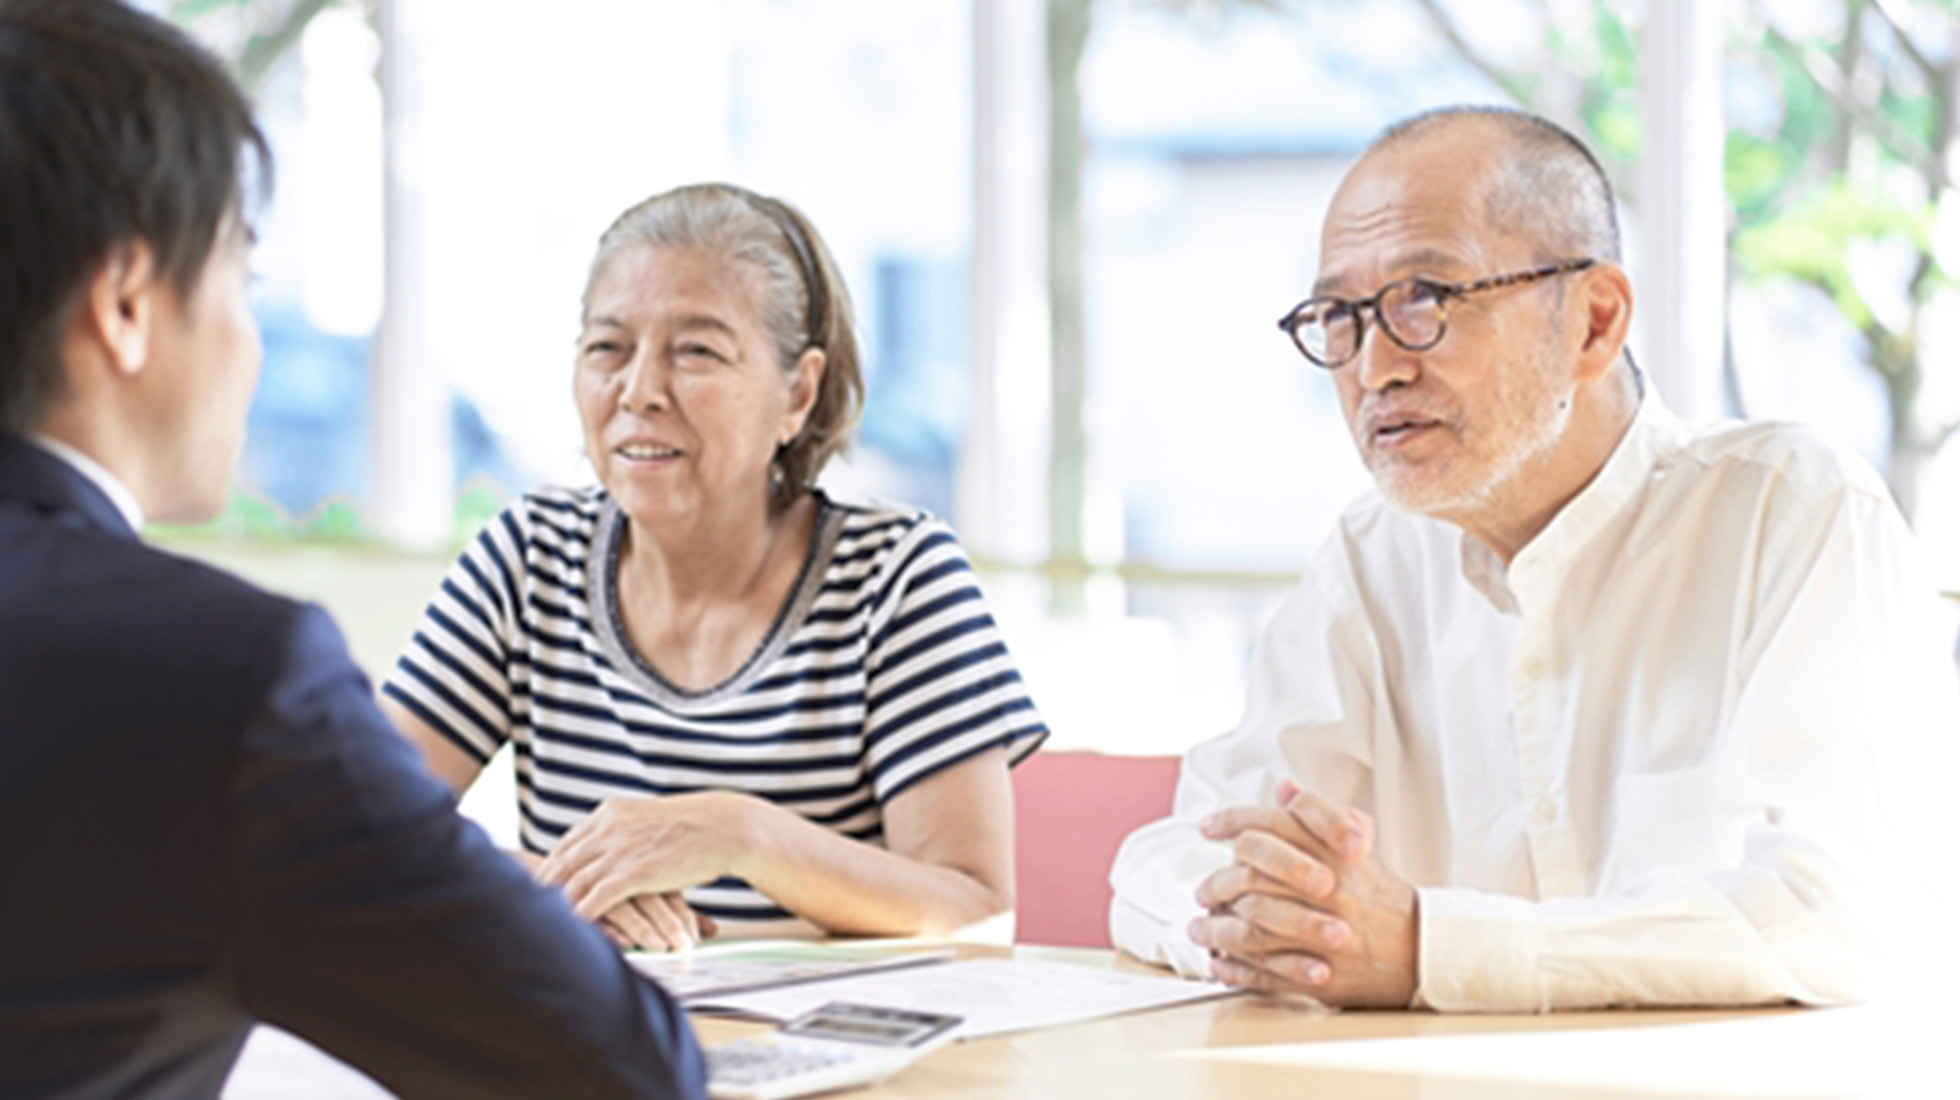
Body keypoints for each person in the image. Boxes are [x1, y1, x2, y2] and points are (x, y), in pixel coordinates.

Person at [1108, 105, 1959, 1011]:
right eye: (1339, 317)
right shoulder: (1372, 557)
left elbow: (1840, 917)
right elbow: (1171, 860)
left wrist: (1428, 948)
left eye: (1423, 302)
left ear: (1594, 321)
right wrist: (1272, 927)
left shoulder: (1795, 512)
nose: (1373, 368)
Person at [0, 2, 703, 1095]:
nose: (250, 342)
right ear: (127, 303)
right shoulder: (220, 676)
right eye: (243, 280)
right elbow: (621, 1068)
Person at [381, 183, 1047, 952]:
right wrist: (546, 887)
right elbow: (355, 826)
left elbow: (976, 914)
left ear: (798, 393)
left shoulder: (897, 579)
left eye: (696, 351)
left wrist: (742, 835)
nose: (639, 391)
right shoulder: (528, 559)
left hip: (839, 1062)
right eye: (608, 348)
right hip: (585, 1053)